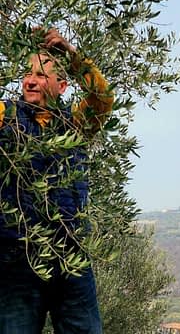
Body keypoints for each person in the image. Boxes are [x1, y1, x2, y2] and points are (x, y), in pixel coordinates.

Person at [0, 28, 114, 334]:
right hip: (17, 258)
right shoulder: (5, 117)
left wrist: (72, 55)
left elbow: (103, 98)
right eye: (26, 73)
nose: (29, 80)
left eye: (40, 74)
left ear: (62, 85)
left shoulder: (76, 124)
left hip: (70, 256)